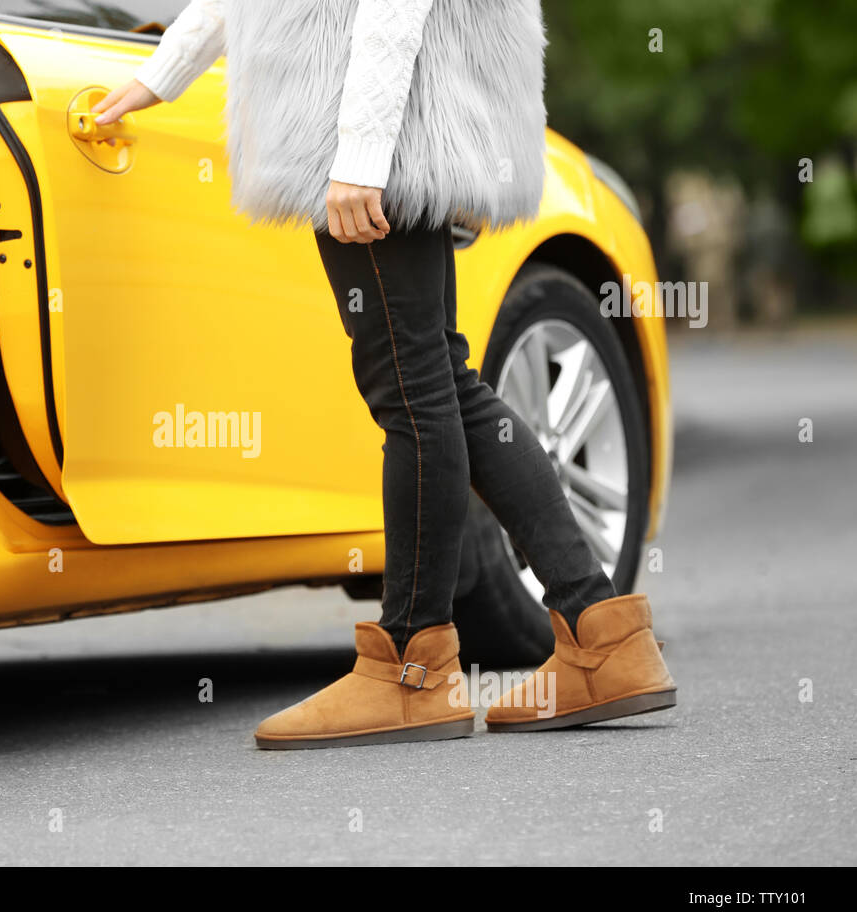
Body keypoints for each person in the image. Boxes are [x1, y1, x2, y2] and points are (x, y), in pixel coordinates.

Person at [94, 0, 677, 749]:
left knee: (413, 391)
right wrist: (162, 74)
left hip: (370, 123)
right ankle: (601, 635)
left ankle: (411, 666)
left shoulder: (365, 147)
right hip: (389, 122)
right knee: (440, 383)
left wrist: (362, 156)